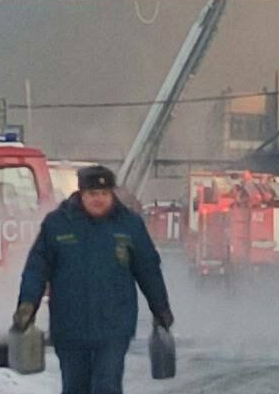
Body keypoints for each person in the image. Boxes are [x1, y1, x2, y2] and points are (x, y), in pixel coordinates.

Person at [14, 165, 174, 394]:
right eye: (92, 194)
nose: (98, 199)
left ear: (112, 194)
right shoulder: (57, 224)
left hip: (114, 324)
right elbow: (36, 269)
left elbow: (148, 269)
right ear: (81, 194)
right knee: (75, 387)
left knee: (106, 385)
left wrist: (161, 308)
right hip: (69, 325)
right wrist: (28, 304)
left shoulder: (130, 225)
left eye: (104, 193)